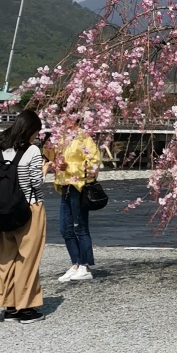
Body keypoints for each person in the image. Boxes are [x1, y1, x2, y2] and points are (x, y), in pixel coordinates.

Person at [0, 108, 47, 322]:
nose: (36, 136)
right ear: (30, 130)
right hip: (29, 208)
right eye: (36, 132)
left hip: (3, 210)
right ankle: (26, 308)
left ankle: (9, 305)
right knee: (27, 259)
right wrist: (44, 171)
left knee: (6, 257)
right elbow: (36, 183)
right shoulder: (32, 152)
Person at [50, 117, 101, 283]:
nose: (63, 121)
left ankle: (85, 265)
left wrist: (70, 167)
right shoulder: (61, 139)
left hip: (78, 186)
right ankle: (76, 263)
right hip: (65, 185)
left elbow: (93, 163)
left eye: (66, 117)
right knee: (65, 228)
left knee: (80, 226)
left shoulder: (84, 138)